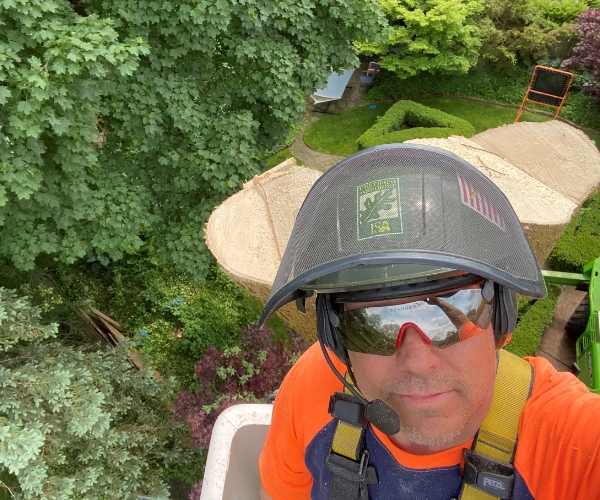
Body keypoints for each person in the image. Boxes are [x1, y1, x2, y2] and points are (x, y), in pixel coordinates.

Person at [257, 144, 600, 500]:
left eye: (449, 311)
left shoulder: (573, 443)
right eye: (373, 325)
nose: (418, 362)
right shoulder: (312, 387)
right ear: (337, 339)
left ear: (502, 318)